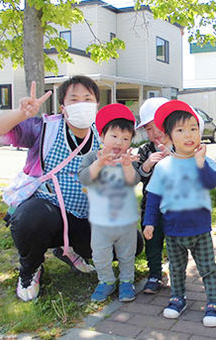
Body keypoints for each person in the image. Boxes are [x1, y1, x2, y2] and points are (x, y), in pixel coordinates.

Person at [0, 76, 102, 301]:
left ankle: (68, 250)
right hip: (47, 208)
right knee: (31, 219)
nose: (82, 104)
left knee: (128, 244)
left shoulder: (102, 135)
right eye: (74, 99)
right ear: (63, 108)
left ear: (96, 105)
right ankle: (31, 268)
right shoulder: (44, 128)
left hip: (82, 213)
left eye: (87, 99)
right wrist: (21, 114)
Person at [142, 100, 216, 328]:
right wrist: (149, 223)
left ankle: (214, 302)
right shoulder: (163, 166)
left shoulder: (205, 161)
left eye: (193, 128)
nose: (189, 135)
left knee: (207, 268)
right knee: (176, 268)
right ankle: (177, 298)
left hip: (200, 229)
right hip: (173, 230)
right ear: (167, 137)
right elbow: (153, 198)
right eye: (180, 130)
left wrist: (200, 165)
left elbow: (212, 183)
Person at [78, 104, 140, 302]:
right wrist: (100, 163)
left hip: (126, 221)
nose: (118, 142)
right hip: (101, 221)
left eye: (125, 138)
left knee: (126, 254)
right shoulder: (91, 157)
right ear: (102, 135)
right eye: (113, 136)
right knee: (100, 254)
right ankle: (106, 280)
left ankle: (126, 281)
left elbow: (133, 181)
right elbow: (85, 179)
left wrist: (128, 165)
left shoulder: (128, 159)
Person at [133, 97, 171, 294]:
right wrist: (148, 164)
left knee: (176, 242)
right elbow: (138, 175)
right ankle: (155, 273)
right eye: (148, 128)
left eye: (157, 125)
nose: (154, 132)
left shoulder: (179, 145)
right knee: (152, 240)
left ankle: (176, 271)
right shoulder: (145, 150)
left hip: (175, 206)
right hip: (151, 206)